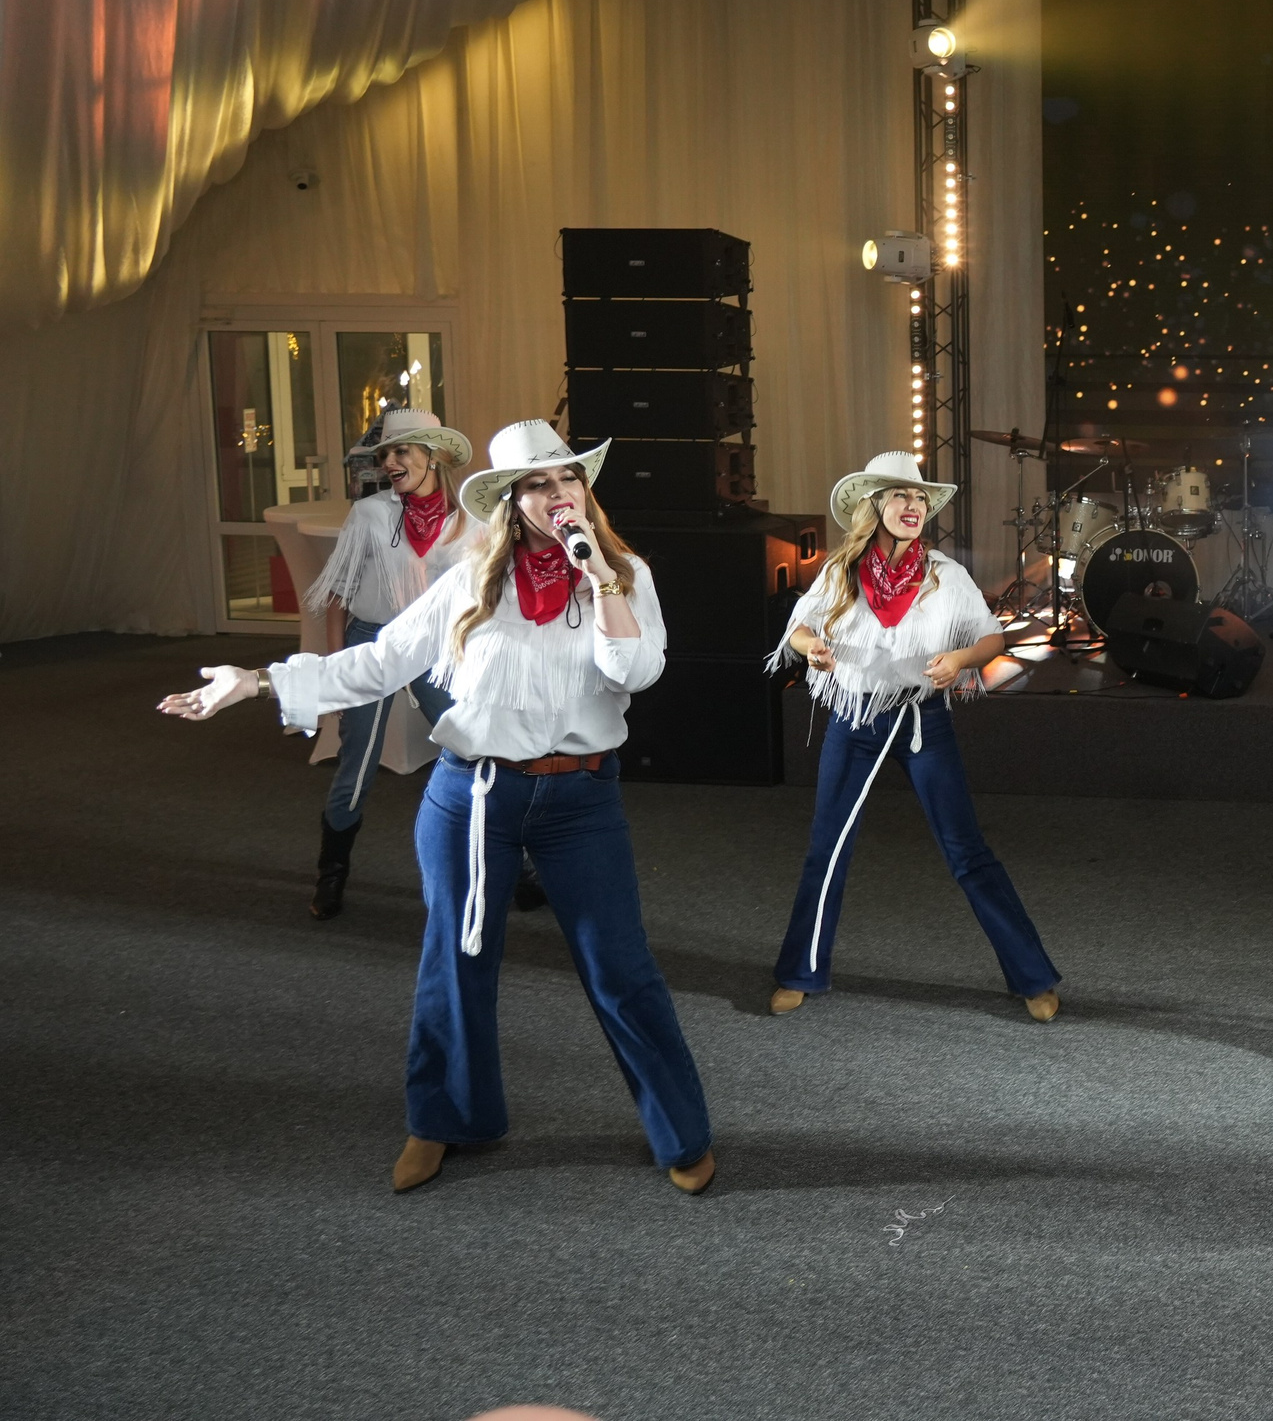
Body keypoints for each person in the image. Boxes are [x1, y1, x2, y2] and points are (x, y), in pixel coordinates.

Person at [159, 421, 716, 1197]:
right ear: (510, 501)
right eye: (536, 483)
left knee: (621, 968)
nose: (558, 493)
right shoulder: (468, 580)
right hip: (473, 794)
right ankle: (445, 1116)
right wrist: (256, 681)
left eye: (568, 478)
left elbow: (636, 672)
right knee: (455, 962)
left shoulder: (625, 575)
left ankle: (681, 1130)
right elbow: (380, 660)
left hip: (580, 799)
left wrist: (600, 578)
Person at [766, 452, 1061, 1022]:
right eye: (901, 495)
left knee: (967, 852)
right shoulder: (842, 569)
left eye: (921, 498)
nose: (913, 506)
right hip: (855, 718)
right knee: (827, 849)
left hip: (924, 721)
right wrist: (813, 650)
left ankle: (1034, 978)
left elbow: (992, 639)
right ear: (876, 505)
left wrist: (961, 660)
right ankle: (800, 972)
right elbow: (798, 628)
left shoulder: (946, 574)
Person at [301, 407, 478, 920]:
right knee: (356, 764)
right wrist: (337, 670)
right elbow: (338, 595)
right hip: (371, 640)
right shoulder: (370, 513)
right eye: (385, 454)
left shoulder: (470, 519)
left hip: (436, 646)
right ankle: (332, 872)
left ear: (433, 456)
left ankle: (516, 866)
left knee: (476, 747)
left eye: (402, 451)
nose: (390, 463)